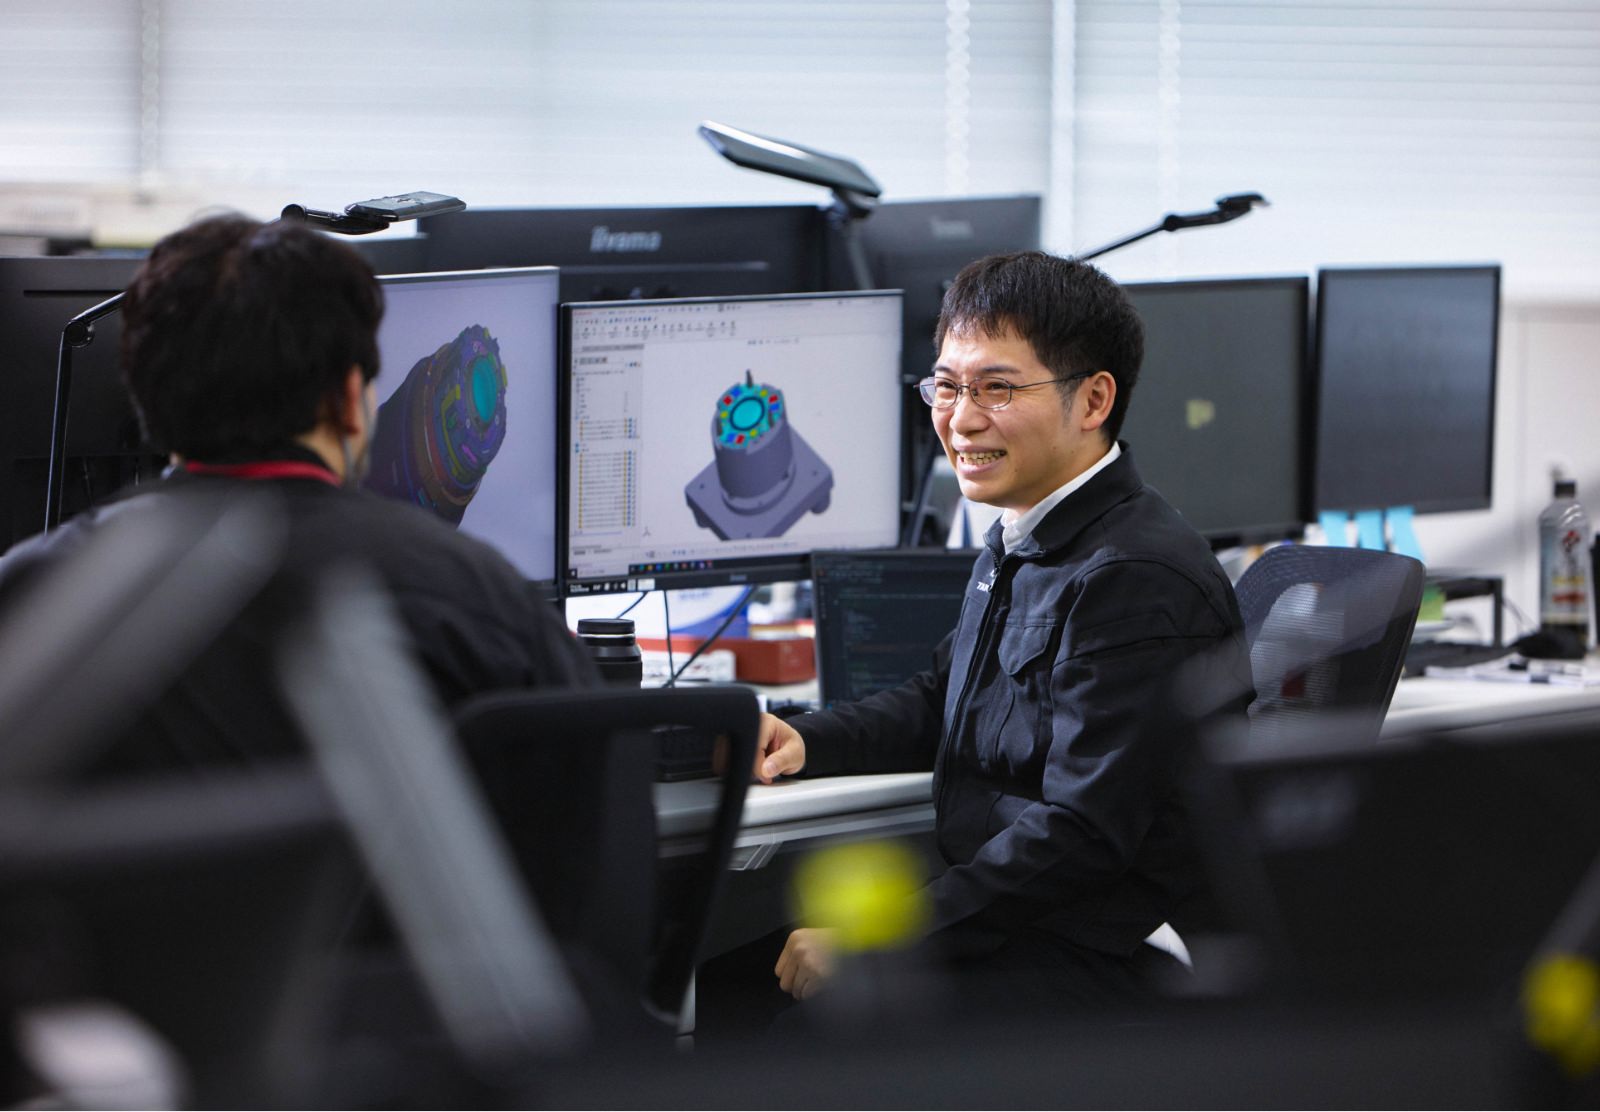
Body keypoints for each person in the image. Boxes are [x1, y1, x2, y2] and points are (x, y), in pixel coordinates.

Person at [756, 251, 1254, 1011]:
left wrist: (889, 937)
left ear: (1093, 400)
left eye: (996, 387)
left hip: (1103, 955)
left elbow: (1084, 832)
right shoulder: (1030, 534)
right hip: (1022, 921)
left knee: (750, 1018)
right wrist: (806, 739)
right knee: (729, 984)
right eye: (947, 386)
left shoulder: (1134, 577)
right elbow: (946, 701)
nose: (960, 418)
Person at [0, 214, 597, 774]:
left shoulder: (29, 596)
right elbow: (599, 805)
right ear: (350, 402)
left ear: (148, 401)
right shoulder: (483, 600)